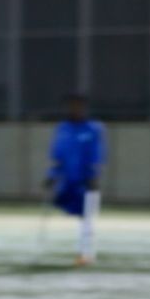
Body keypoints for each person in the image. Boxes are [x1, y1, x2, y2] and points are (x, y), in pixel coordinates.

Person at [44, 93, 107, 266]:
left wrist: (93, 175)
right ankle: (81, 250)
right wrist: (51, 176)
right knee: (73, 212)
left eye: (78, 106)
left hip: (86, 181)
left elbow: (97, 152)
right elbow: (57, 154)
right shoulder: (63, 128)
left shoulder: (93, 128)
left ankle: (85, 254)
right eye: (72, 105)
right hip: (68, 181)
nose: (75, 109)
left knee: (88, 217)